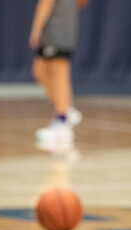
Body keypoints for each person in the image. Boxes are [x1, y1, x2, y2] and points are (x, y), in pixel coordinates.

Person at [30, 0, 87, 142]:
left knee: (59, 75)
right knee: (40, 71)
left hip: (56, 31)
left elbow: (45, 4)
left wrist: (36, 29)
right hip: (62, 30)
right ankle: (66, 109)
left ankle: (62, 120)